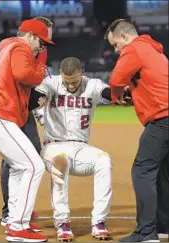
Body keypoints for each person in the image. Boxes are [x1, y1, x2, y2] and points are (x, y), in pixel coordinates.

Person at [32, 57, 114, 241]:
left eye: (74, 81)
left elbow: (106, 92)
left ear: (82, 74)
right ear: (61, 75)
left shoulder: (91, 84)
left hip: (81, 147)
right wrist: (37, 100)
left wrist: (119, 93)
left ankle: (99, 221)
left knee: (104, 160)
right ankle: (62, 222)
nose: (69, 86)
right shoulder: (51, 83)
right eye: (66, 81)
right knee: (60, 162)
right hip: (53, 146)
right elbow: (37, 95)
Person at [104, 19, 168, 242]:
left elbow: (116, 79)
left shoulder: (134, 48)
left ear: (124, 37)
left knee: (142, 171)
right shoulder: (154, 50)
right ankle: (163, 226)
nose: (116, 50)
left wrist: (116, 95)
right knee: (162, 173)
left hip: (163, 119)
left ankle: (146, 233)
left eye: (115, 45)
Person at [0, 18, 54, 242]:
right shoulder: (20, 46)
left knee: (19, 168)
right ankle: (17, 227)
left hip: (1, 114)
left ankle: (16, 220)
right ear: (30, 35)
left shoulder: (8, 46)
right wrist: (40, 68)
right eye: (41, 41)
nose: (41, 46)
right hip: (0, 114)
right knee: (33, 165)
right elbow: (24, 74)